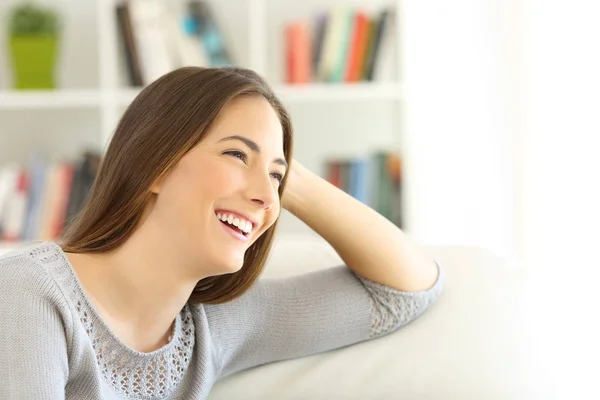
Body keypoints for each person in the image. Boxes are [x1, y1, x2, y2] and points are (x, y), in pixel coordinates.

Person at [0, 67, 443, 399]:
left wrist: (289, 179)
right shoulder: (30, 295)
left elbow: (401, 292)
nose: (266, 197)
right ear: (154, 163)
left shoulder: (211, 328)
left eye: (276, 177)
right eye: (236, 154)